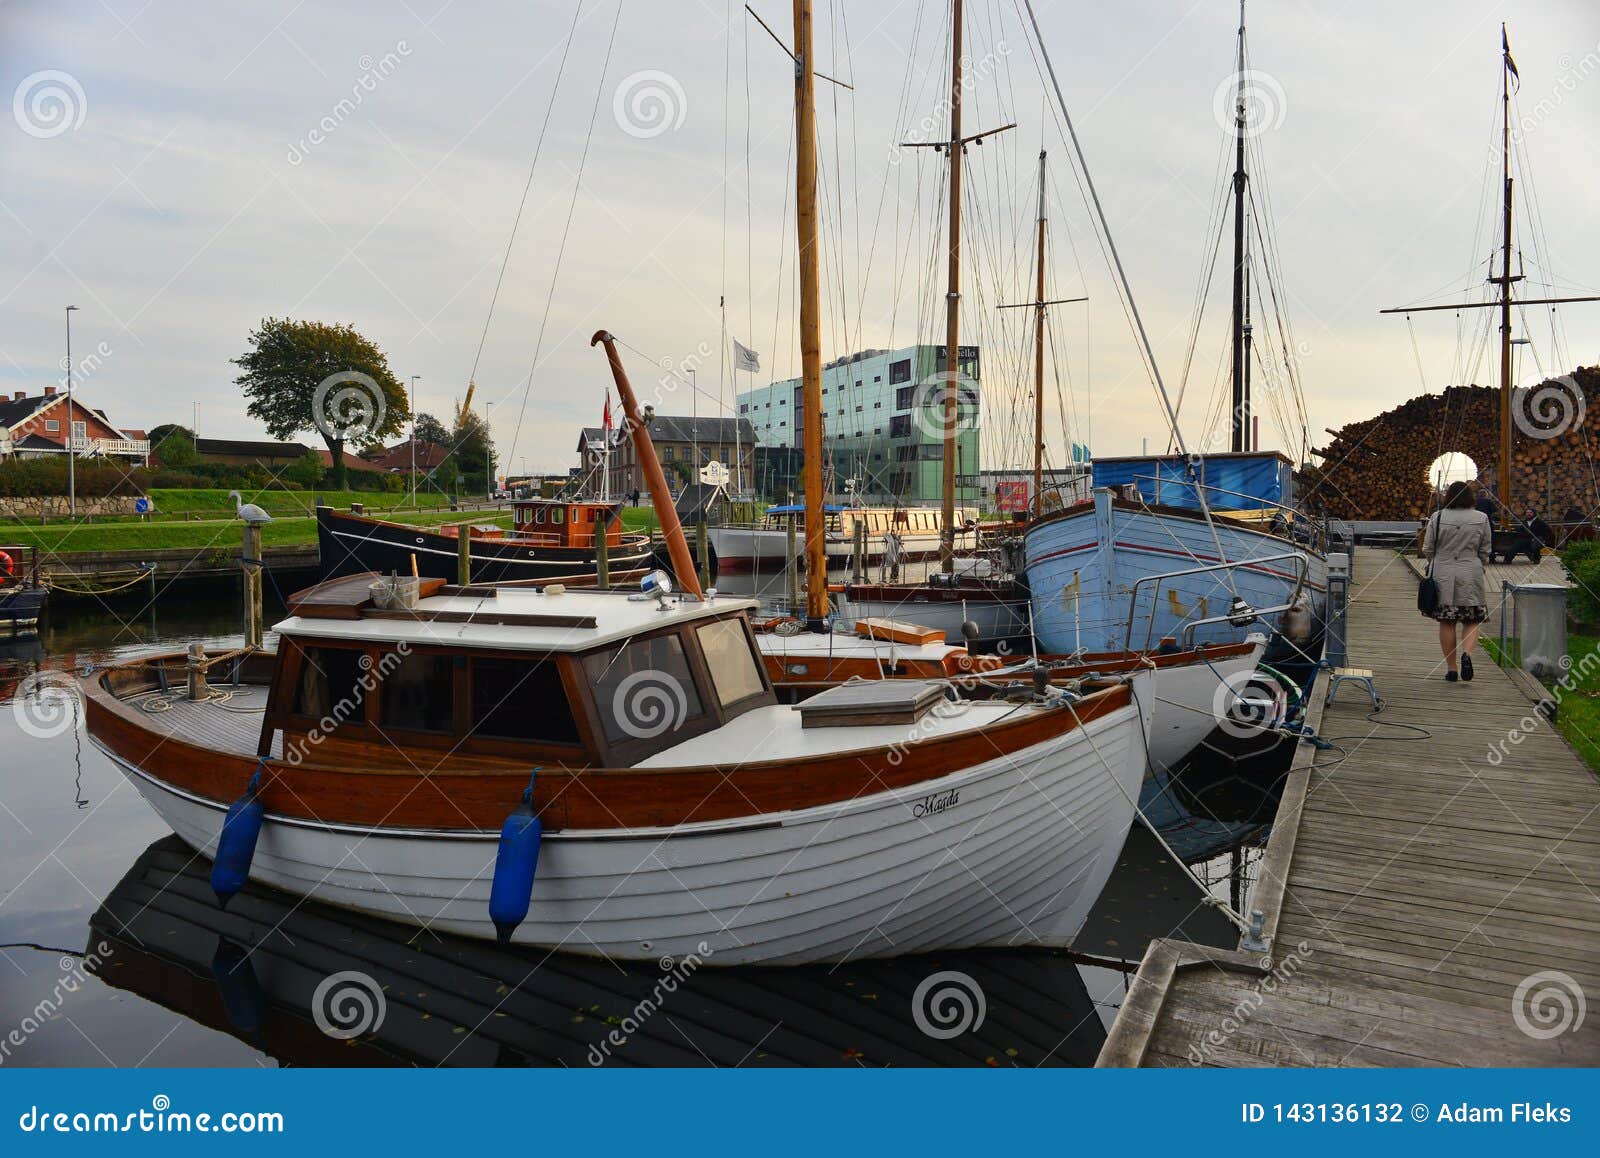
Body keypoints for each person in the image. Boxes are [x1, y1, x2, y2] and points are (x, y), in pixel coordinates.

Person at [1422, 480, 1492, 682]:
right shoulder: (1481, 518)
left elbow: (1428, 547)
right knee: (1471, 619)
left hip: (1443, 573)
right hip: (1471, 571)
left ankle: (1451, 669)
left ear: (1448, 496)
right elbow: (1485, 549)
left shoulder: (1438, 516)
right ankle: (1467, 655)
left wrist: (1437, 562)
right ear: (1471, 497)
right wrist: (1479, 564)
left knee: (1447, 621)